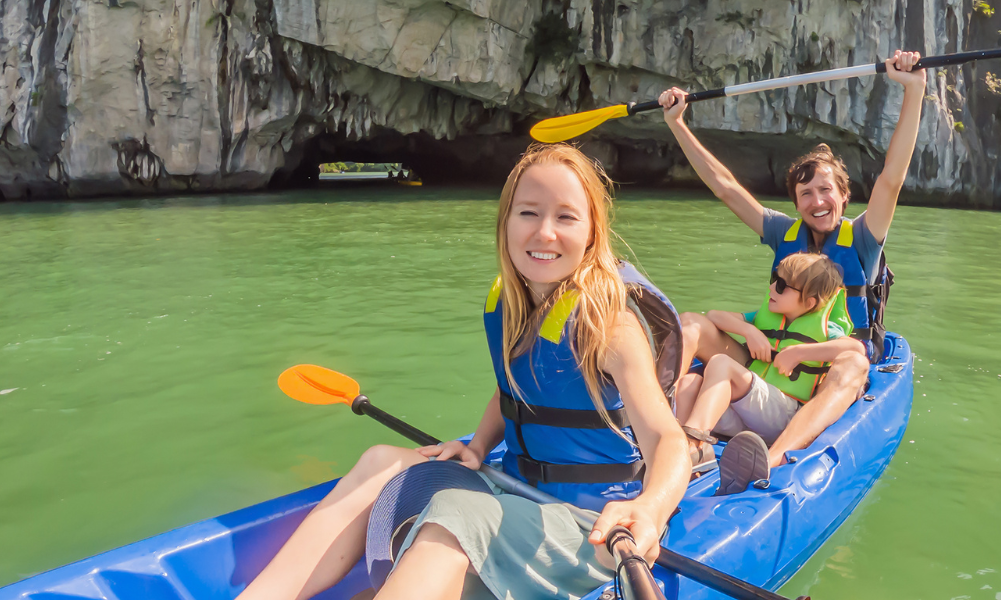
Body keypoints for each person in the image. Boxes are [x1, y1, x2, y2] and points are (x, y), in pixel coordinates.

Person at [236, 144, 691, 600]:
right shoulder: (512, 303)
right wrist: (477, 447)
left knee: (456, 512)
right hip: (518, 491)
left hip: (591, 530)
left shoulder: (606, 323)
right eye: (529, 213)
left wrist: (648, 509)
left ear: (592, 233)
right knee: (381, 461)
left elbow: (668, 441)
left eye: (566, 217)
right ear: (505, 223)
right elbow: (513, 389)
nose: (545, 232)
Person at [658, 49, 926, 473]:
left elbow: (892, 177)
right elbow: (726, 188)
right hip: (768, 358)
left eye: (825, 191)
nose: (817, 202)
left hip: (829, 361)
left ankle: (775, 455)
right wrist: (678, 124)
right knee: (691, 323)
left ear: (843, 195)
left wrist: (915, 88)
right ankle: (649, 418)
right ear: (796, 202)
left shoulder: (862, 238)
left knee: (855, 362)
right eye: (806, 194)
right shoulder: (782, 232)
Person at [676, 253, 865, 495]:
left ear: (809, 302)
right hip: (749, 414)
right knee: (690, 383)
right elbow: (714, 316)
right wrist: (748, 331)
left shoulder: (828, 329)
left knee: (720, 364)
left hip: (782, 415)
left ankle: (691, 445)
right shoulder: (767, 316)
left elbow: (856, 349)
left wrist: (799, 352)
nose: (772, 288)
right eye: (775, 279)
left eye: (782, 285)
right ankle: (694, 456)